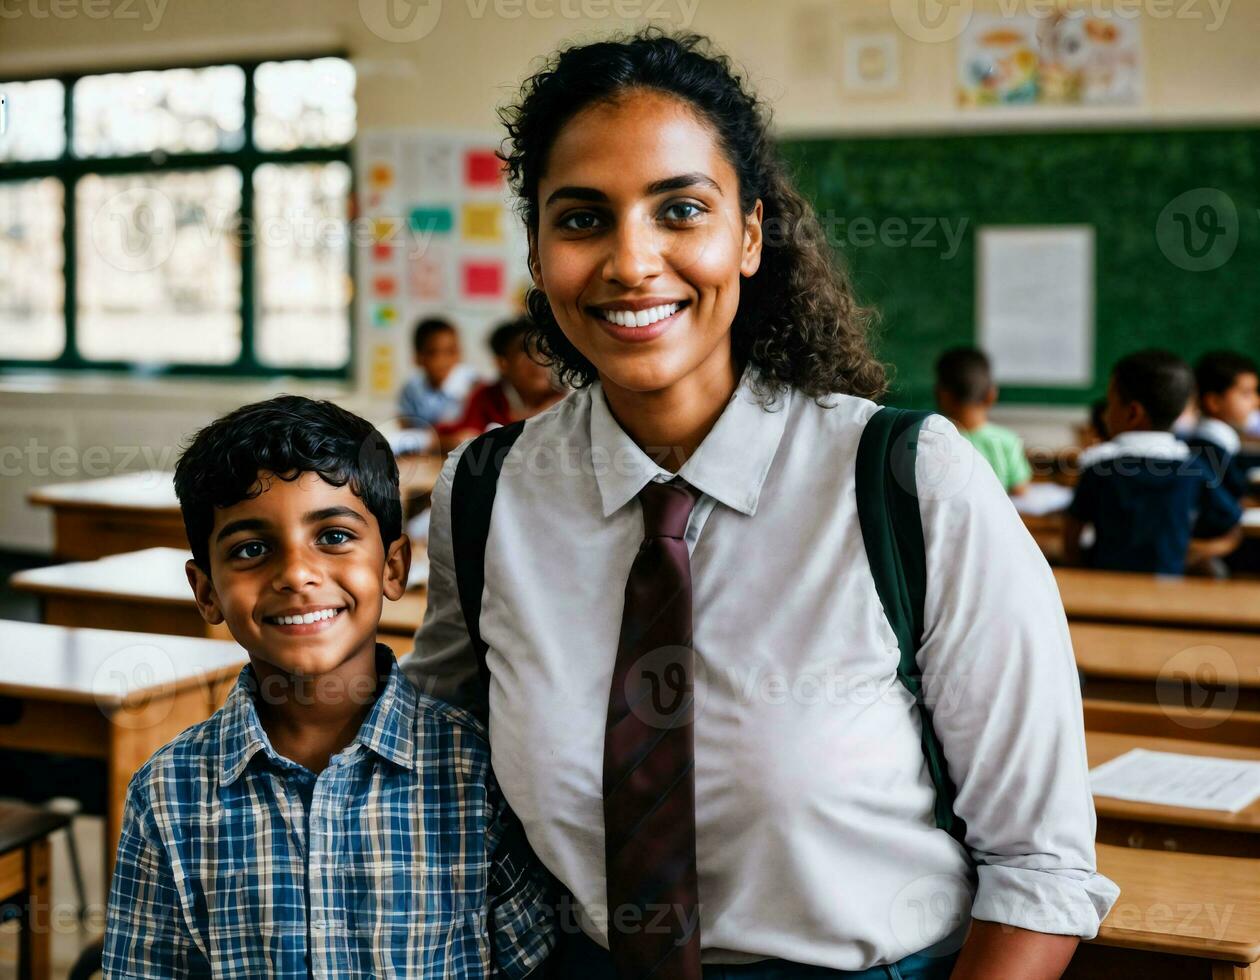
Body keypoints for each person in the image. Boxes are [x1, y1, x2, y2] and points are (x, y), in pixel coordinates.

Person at [406, 29, 1115, 980]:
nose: (631, 261)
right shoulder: (488, 493)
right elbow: (427, 776)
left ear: (748, 236)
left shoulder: (908, 480)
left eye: (681, 210)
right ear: (536, 250)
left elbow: (1039, 864)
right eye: (581, 219)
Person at [103, 395, 553, 978]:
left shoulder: (476, 772)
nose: (295, 573)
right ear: (206, 591)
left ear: (393, 567)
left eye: (334, 536)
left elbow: (533, 967)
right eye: (252, 549)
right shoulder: (168, 796)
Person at [1064, 350, 1243, 575]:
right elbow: (1231, 526)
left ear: (1133, 413)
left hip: (1104, 583)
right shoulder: (1194, 467)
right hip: (1170, 591)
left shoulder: (1098, 464)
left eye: (1110, 404)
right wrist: (1192, 553)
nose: (1105, 414)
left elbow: (1071, 540)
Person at [435, 316, 564, 451]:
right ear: (502, 363)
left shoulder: (565, 400)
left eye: (543, 350)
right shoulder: (485, 397)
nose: (540, 360)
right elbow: (459, 437)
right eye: (526, 351)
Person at [934, 346, 1033, 494]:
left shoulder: (931, 439)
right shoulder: (1007, 441)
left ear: (941, 395)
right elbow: (1020, 491)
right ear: (991, 395)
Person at [1185, 350, 1260, 500]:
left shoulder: (1222, 444)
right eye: (1246, 393)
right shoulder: (1208, 450)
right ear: (1214, 402)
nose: (1256, 401)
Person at [397, 316, 481, 429]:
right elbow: (406, 430)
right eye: (434, 353)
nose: (443, 361)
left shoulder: (473, 385)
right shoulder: (412, 389)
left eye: (451, 351)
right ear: (418, 357)